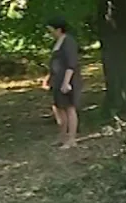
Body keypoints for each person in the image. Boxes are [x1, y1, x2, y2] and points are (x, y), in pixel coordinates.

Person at [42, 17, 81, 149]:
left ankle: (72, 139)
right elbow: (56, 63)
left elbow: (71, 64)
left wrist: (66, 82)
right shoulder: (58, 42)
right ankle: (62, 136)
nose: (49, 32)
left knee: (69, 108)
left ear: (58, 29)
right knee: (58, 108)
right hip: (57, 80)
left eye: (51, 30)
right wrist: (49, 77)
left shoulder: (68, 41)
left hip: (67, 80)